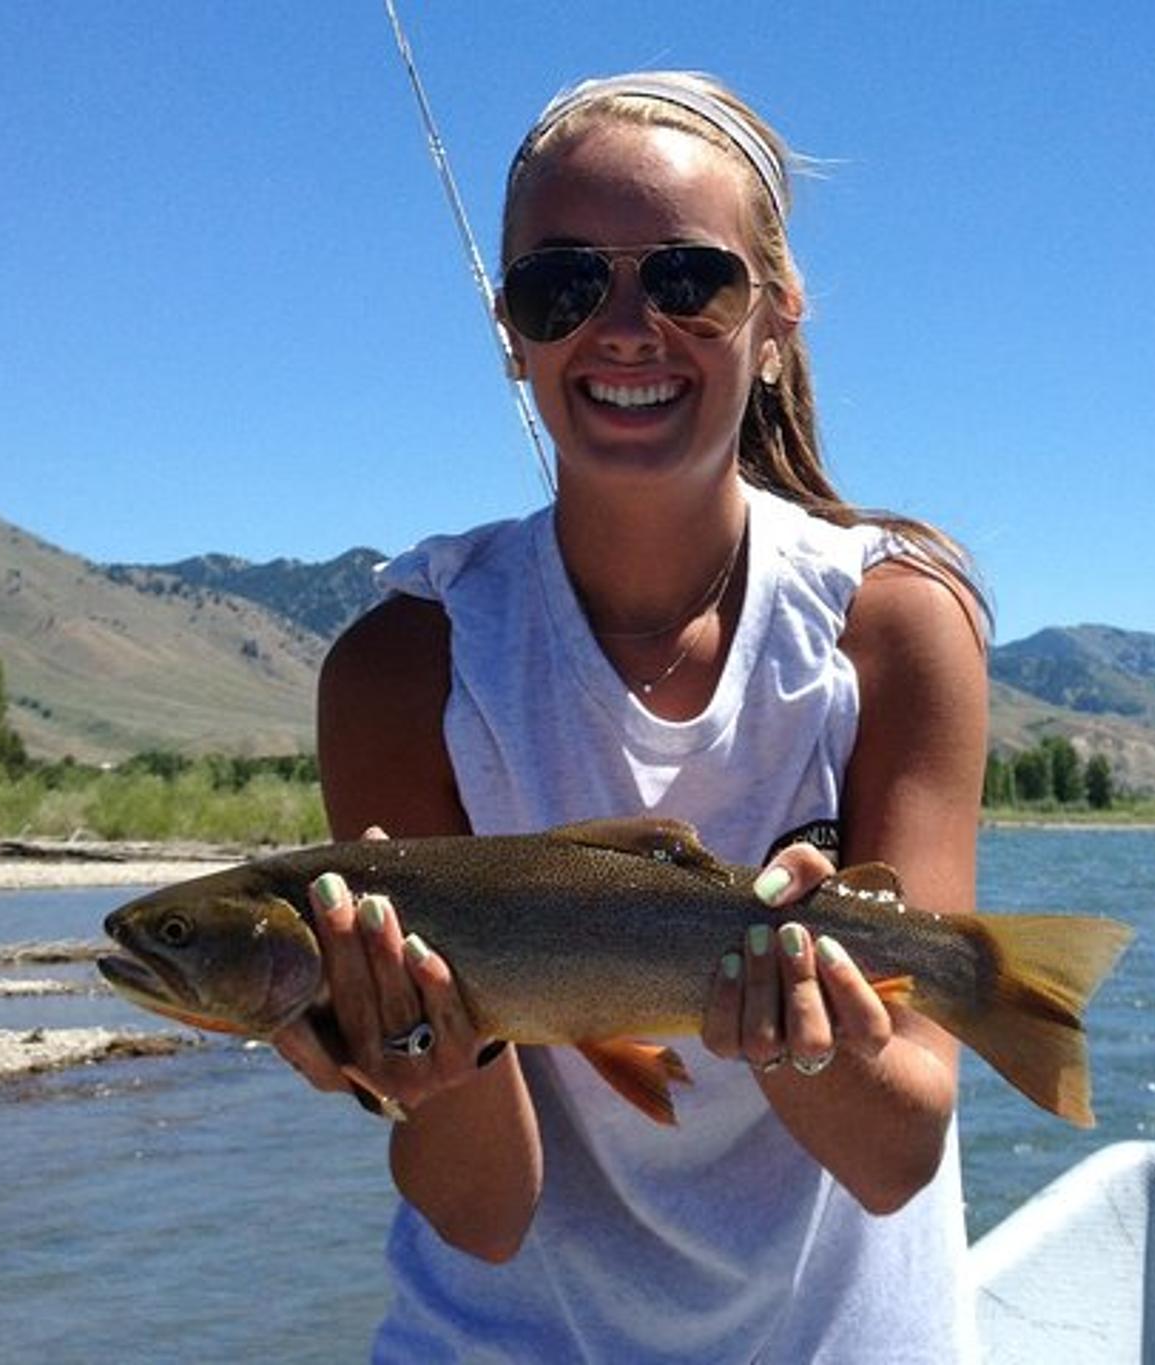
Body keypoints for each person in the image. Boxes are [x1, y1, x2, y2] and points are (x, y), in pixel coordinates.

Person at [271, 72, 990, 1362]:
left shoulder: (891, 626)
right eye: (562, 286)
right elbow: (485, 1217)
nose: (623, 326)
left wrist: (786, 1033)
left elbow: (895, 1156)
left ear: (777, 316)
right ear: (512, 329)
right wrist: (430, 1060)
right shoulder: (402, 667)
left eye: (686, 280)